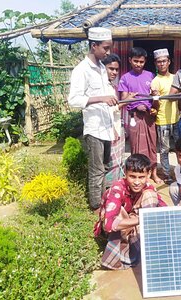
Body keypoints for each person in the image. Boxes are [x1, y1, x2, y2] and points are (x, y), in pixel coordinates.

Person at [67, 27, 118, 211]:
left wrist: (112, 124)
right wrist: (101, 98)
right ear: (94, 45)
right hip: (94, 128)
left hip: (105, 126)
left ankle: (105, 200)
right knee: (96, 170)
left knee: (105, 166)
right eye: (105, 48)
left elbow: (106, 95)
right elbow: (73, 100)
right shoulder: (82, 70)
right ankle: (96, 206)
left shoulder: (102, 69)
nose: (108, 52)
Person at [94, 153, 167, 270]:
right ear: (125, 173)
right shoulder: (117, 189)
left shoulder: (148, 188)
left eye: (141, 177)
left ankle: (145, 245)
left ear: (148, 174)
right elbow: (109, 225)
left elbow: (165, 209)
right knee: (118, 212)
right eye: (132, 176)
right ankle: (119, 254)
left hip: (133, 222)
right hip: (116, 228)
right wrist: (143, 219)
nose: (137, 182)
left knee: (151, 196)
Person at [118, 47, 163, 184]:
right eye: (135, 61)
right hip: (134, 117)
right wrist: (135, 103)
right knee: (136, 146)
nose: (138, 64)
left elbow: (156, 97)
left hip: (149, 116)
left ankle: (153, 174)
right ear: (130, 60)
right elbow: (123, 100)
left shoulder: (150, 76)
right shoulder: (125, 78)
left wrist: (154, 99)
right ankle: (138, 176)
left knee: (151, 146)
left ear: (145, 62)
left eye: (141, 61)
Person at [150, 48, 179, 184]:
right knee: (164, 149)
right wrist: (155, 98)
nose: (161, 64)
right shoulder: (155, 81)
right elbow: (155, 105)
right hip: (162, 120)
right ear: (156, 64)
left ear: (169, 62)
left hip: (177, 119)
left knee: (180, 147)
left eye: (164, 61)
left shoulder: (175, 78)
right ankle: (167, 174)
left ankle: (180, 172)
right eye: (159, 62)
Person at [102, 54, 126, 188]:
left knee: (118, 159)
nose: (114, 72)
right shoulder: (100, 87)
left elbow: (113, 108)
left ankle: (117, 188)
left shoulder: (112, 86)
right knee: (110, 161)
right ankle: (109, 190)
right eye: (111, 69)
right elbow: (103, 110)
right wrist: (111, 129)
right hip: (108, 129)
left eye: (116, 69)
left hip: (116, 125)